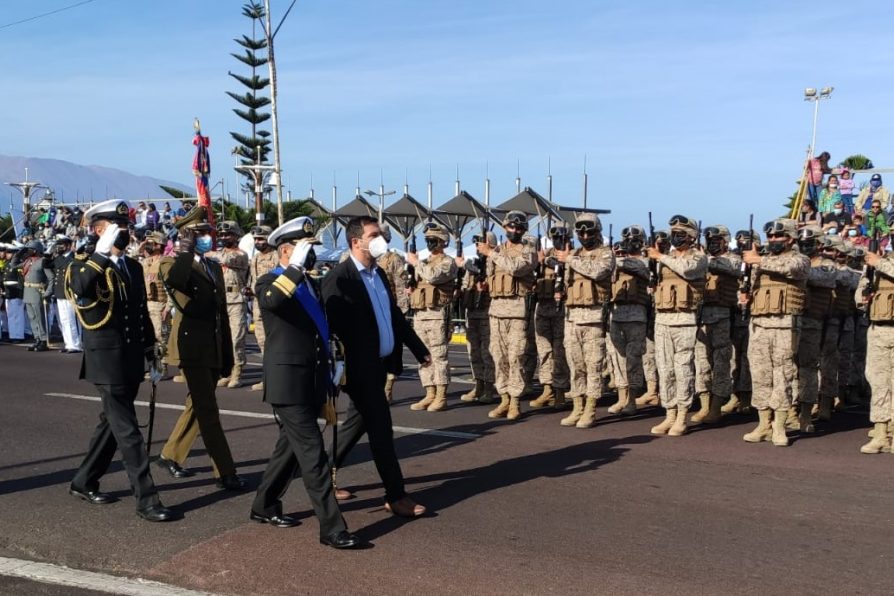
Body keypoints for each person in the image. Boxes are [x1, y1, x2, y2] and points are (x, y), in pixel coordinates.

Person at [250, 216, 361, 548]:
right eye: (305, 249)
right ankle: (332, 528)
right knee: (313, 454)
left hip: (312, 378)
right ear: (288, 250)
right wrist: (294, 268)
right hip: (286, 381)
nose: (312, 255)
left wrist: (335, 363)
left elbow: (320, 330)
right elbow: (272, 302)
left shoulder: (311, 284)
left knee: (290, 450)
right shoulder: (269, 281)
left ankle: (264, 504)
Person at [66, 199, 175, 522]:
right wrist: (99, 251)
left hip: (129, 358)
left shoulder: (133, 266)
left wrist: (151, 351)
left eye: (127, 228)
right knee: (129, 432)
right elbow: (82, 288)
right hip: (106, 360)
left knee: (111, 426)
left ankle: (84, 480)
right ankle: (147, 499)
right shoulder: (83, 264)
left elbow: (139, 312)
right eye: (119, 228)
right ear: (100, 231)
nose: (126, 234)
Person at [322, 215, 430, 517]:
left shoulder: (378, 274)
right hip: (358, 368)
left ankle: (322, 475)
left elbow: (393, 316)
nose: (381, 238)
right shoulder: (340, 278)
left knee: (355, 425)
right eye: (374, 234)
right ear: (357, 242)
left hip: (380, 363)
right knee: (382, 430)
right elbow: (330, 326)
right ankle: (395, 495)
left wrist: (418, 348)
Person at [154, 206, 246, 490]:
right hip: (190, 345)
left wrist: (227, 356)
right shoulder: (172, 263)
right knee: (208, 409)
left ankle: (170, 455)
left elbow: (220, 314)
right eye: (200, 233)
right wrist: (183, 250)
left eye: (208, 232)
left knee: (198, 403)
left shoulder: (212, 265)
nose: (208, 237)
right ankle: (225, 472)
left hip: (211, 346)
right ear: (186, 236)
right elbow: (177, 282)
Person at [740, 218, 809, 447]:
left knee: (783, 376)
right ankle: (763, 424)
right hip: (759, 324)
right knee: (760, 375)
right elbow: (750, 289)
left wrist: (757, 259)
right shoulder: (759, 263)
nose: (772, 240)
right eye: (769, 236)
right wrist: (744, 297)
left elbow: (790, 269)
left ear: (790, 238)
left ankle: (779, 426)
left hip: (784, 325)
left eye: (777, 236)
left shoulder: (800, 259)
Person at [647, 215, 707, 436]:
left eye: (680, 234)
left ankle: (682, 415)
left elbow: (688, 270)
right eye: (673, 233)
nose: (675, 237)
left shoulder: (698, 257)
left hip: (685, 319)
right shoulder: (665, 258)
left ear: (691, 237)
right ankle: (669, 413)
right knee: (665, 369)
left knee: (683, 369)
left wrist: (660, 256)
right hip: (662, 319)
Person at [475, 211, 538, 421]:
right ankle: (503, 398)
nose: (515, 231)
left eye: (519, 228)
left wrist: (490, 253)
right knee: (498, 356)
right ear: (504, 227)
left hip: (517, 310)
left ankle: (515, 402)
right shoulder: (499, 250)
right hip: (496, 309)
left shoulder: (528, 251)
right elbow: (493, 275)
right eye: (512, 227)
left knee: (515, 357)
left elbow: (516, 268)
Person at [692, 225, 741, 425]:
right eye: (709, 240)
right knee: (702, 362)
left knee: (721, 363)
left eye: (717, 240)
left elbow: (731, 269)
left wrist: (703, 261)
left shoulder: (733, 259)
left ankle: (716, 407)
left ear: (725, 241)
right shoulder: (701, 259)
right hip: (702, 315)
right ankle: (704, 405)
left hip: (722, 315)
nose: (712, 243)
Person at [406, 222, 457, 412]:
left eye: (433, 240)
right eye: (427, 240)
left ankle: (441, 395)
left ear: (442, 242)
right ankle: (429, 393)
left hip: (437, 314)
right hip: (421, 314)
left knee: (439, 356)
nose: (429, 243)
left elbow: (434, 277)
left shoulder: (448, 262)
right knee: (424, 356)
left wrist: (416, 263)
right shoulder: (424, 262)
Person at [793, 225, 837, 433]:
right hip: (791, 321)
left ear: (819, 244)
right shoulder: (795, 261)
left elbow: (821, 279)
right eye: (801, 242)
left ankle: (805, 413)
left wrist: (796, 270)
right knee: (788, 369)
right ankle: (790, 411)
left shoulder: (827, 265)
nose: (804, 246)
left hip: (812, 323)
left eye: (809, 243)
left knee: (808, 368)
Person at [606, 225, 650, 416]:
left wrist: (613, 261)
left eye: (634, 239)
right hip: (616, 314)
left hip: (636, 316)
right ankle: (622, 397)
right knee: (618, 359)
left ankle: (632, 398)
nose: (630, 243)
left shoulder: (645, 262)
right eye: (627, 239)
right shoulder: (615, 262)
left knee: (633, 359)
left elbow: (638, 267)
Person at [858, 227, 894, 453]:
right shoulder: (879, 261)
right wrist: (863, 295)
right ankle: (881, 433)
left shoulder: (881, 262)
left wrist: (879, 263)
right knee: (878, 382)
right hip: (879, 328)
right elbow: (861, 291)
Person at [529, 223, 571, 410]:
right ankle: (547, 388)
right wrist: (539, 262)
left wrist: (566, 262)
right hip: (543, 307)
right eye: (554, 236)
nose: (557, 239)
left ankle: (560, 391)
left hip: (562, 309)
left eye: (561, 236)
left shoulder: (574, 255)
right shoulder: (544, 255)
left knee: (560, 352)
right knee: (544, 351)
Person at [207, 220, 250, 388]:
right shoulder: (217, 253)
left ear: (236, 236)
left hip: (236, 301)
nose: (224, 237)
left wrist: (210, 254)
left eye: (228, 234)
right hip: (220, 300)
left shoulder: (241, 255)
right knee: (222, 339)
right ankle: (227, 370)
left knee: (236, 338)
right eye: (222, 235)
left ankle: (237, 372)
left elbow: (227, 258)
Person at [457, 232, 497, 404]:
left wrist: (466, 264)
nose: (478, 247)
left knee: (487, 353)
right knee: (474, 353)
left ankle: (489, 387)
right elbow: (467, 284)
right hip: (473, 312)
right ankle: (478, 384)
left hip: (487, 313)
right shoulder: (475, 263)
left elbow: (489, 274)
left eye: (481, 243)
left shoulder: (495, 260)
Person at [375, 225, 410, 401]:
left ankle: (388, 388)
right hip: (372, 314)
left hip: (389, 314)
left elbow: (401, 287)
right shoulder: (366, 259)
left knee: (393, 354)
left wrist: (399, 316)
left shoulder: (393, 259)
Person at [247, 225, 278, 392]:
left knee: (275, 342)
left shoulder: (277, 256)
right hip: (258, 305)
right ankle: (267, 377)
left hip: (272, 304)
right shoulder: (256, 258)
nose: (258, 242)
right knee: (261, 342)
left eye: (261, 238)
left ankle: (276, 378)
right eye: (255, 239)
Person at [50, 235, 82, 353]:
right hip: (60, 292)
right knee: (63, 320)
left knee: (71, 319)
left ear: (68, 246)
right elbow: (46, 264)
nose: (59, 247)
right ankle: (69, 343)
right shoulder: (58, 258)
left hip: (70, 293)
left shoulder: (74, 258)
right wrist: (50, 251)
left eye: (62, 245)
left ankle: (76, 344)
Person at [21, 239, 54, 352]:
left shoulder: (42, 261)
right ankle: (37, 339)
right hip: (28, 293)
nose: (28, 251)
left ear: (36, 250)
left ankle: (44, 341)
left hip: (37, 292)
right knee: (32, 318)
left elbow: (51, 278)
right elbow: (13, 264)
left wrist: (48, 292)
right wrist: (19, 252)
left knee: (40, 318)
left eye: (30, 249)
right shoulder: (27, 261)